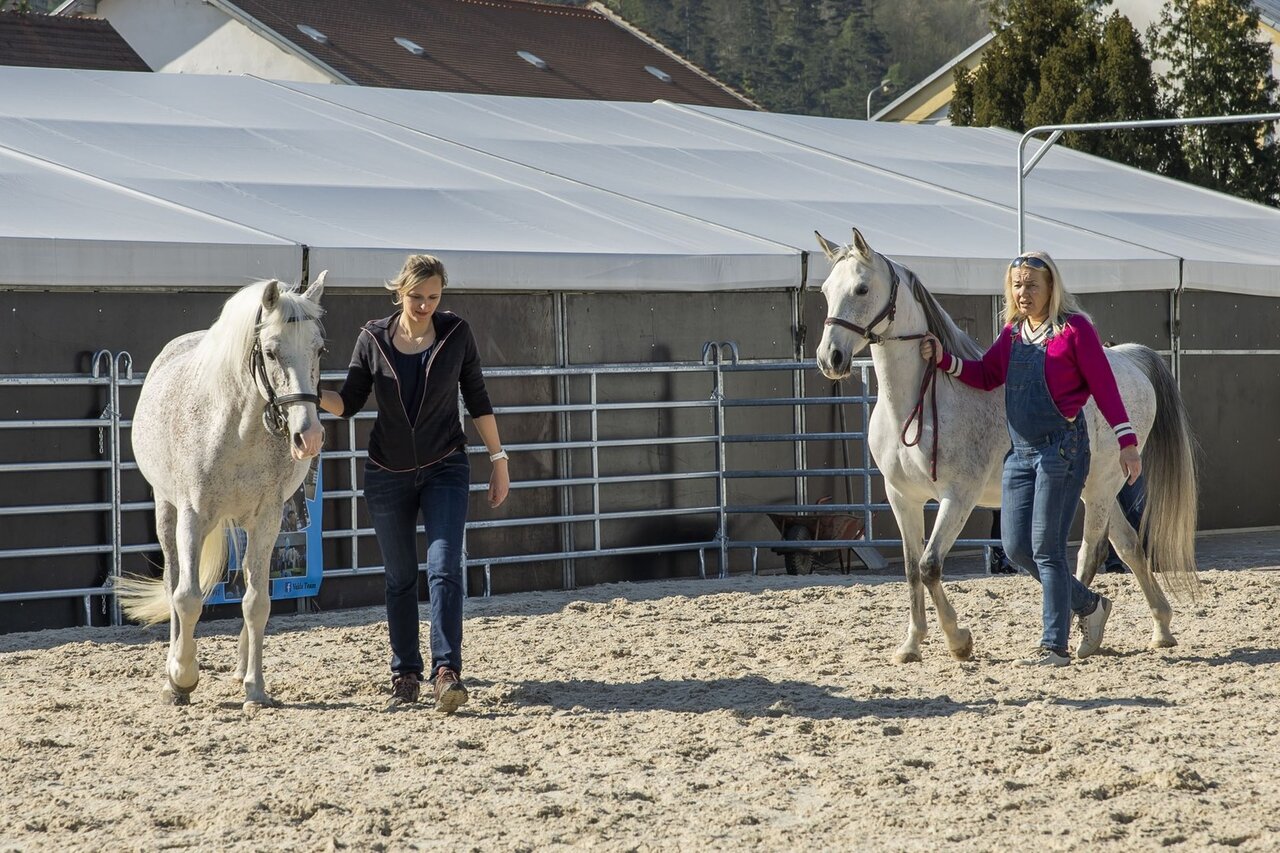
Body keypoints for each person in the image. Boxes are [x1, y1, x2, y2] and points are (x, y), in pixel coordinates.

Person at [920, 251, 1141, 667]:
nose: (1023, 292)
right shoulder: (1014, 333)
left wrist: (1126, 440)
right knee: (1016, 547)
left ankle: (1053, 645)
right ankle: (1091, 606)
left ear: (1051, 287)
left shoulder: (1075, 329)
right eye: (1017, 285)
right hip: (1019, 453)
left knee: (1047, 548)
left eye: (1032, 285)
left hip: (1062, 450)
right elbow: (987, 375)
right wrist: (945, 360)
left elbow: (1104, 386)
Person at [320, 254, 510, 711]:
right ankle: (405, 674)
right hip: (387, 474)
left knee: (444, 566)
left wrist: (499, 460)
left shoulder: (456, 333)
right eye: (416, 296)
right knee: (401, 577)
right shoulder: (372, 338)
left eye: (433, 297)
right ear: (399, 292)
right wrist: (304, 393)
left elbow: (477, 398)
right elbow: (348, 403)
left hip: (446, 467)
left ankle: (446, 673)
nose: (425, 305)